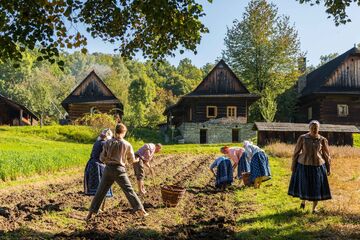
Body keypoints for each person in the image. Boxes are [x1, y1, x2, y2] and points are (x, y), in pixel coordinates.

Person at [86, 123, 148, 221]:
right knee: (129, 190)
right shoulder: (127, 144)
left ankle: (90, 214)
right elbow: (131, 160)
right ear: (124, 132)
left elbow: (102, 158)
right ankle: (141, 211)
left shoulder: (107, 143)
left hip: (108, 169)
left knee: (100, 191)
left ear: (115, 131)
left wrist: (108, 161)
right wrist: (136, 160)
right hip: (120, 170)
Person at [288, 120, 331, 213]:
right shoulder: (302, 138)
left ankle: (314, 208)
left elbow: (326, 155)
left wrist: (328, 167)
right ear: (309, 128)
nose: (314, 130)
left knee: (317, 187)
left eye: (316, 128)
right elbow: (296, 152)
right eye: (312, 128)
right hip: (303, 165)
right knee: (304, 185)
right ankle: (303, 201)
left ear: (319, 129)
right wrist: (293, 165)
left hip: (318, 166)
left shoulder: (322, 140)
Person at [84, 128, 113, 211]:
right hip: (98, 166)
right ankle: (97, 207)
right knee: (101, 187)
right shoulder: (104, 143)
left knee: (97, 187)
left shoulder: (97, 142)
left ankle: (96, 206)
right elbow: (106, 156)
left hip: (91, 164)